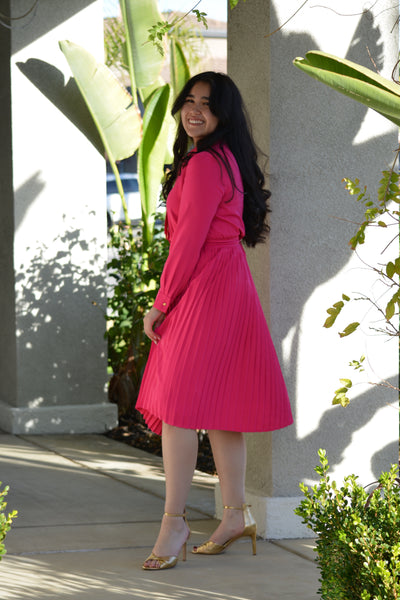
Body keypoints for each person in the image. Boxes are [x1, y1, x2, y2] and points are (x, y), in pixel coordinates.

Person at [136, 72, 293, 570]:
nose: (194, 110)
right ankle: (235, 514)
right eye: (189, 100)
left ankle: (174, 522)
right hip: (230, 284)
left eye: (207, 103)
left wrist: (161, 301)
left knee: (178, 407)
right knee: (222, 408)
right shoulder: (224, 158)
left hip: (206, 285)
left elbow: (187, 243)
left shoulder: (205, 163)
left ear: (223, 113)